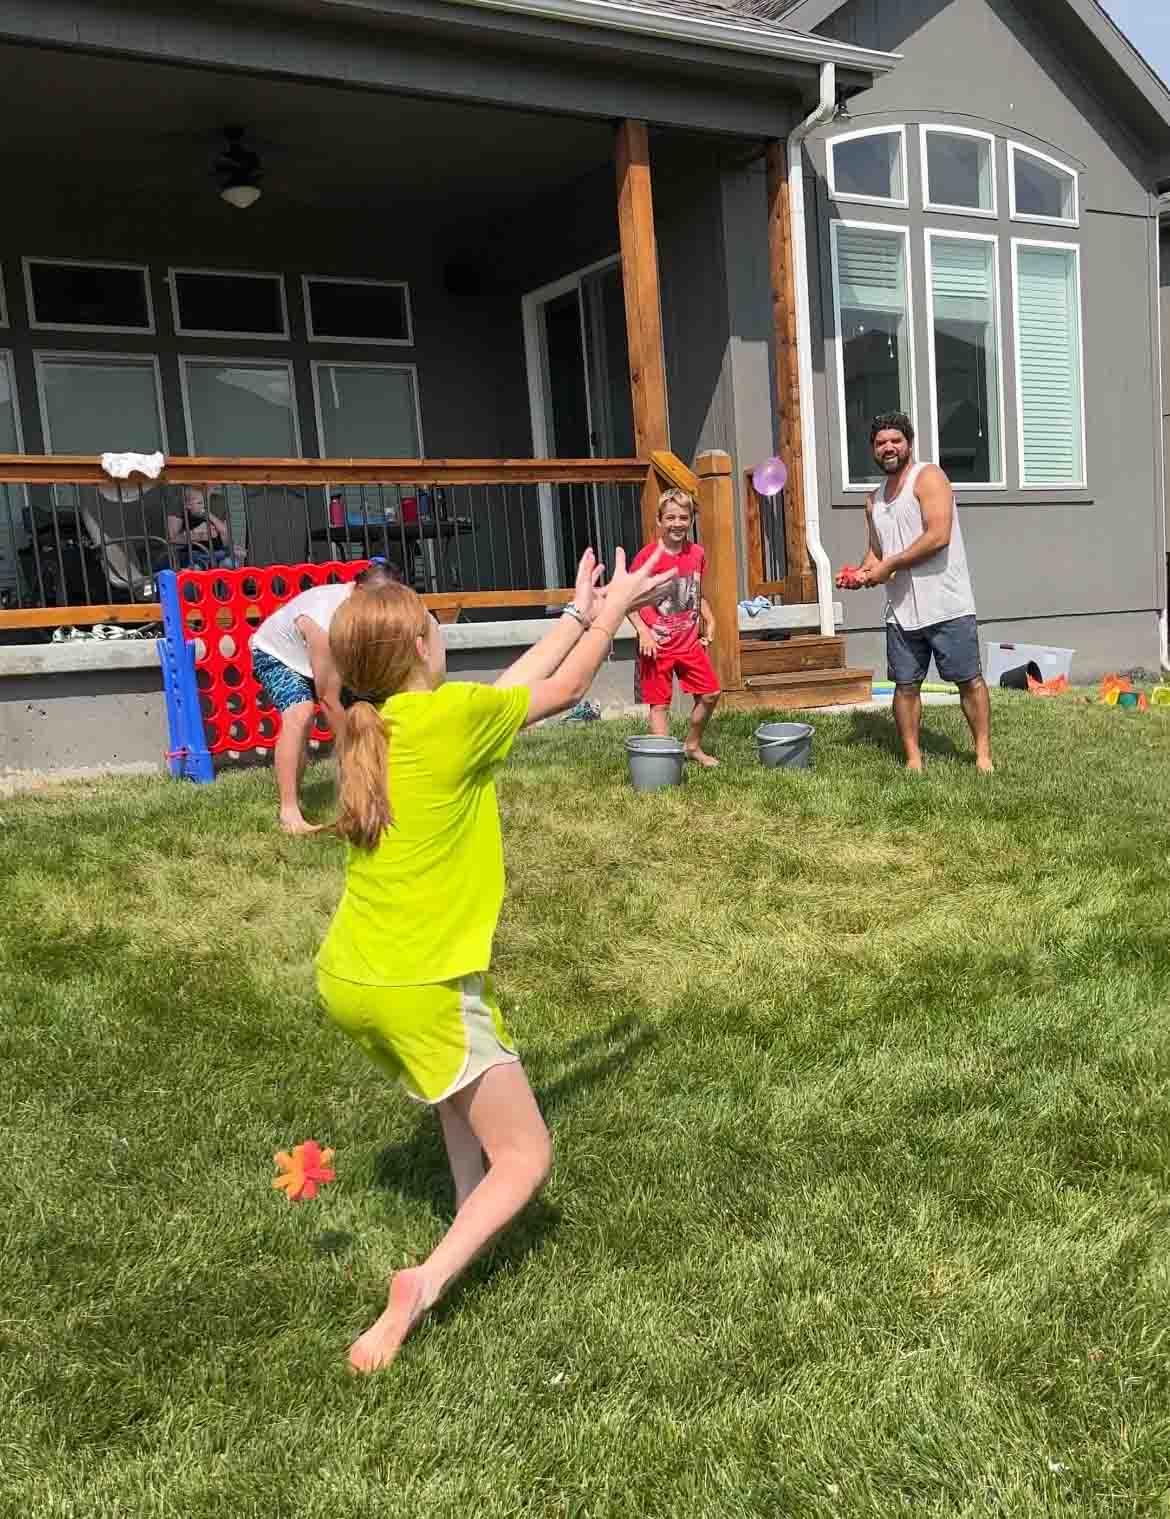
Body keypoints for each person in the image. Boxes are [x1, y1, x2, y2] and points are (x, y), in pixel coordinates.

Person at [316, 544, 674, 1374]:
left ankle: (459, 1207)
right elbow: (563, 690)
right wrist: (617, 610)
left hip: (353, 977)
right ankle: (424, 1283)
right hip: (416, 983)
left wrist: (576, 616)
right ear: (416, 651)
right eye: (435, 627)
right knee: (529, 1153)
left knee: (456, 1088)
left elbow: (506, 689)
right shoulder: (447, 719)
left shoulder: (381, 725)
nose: (443, 635)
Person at [848, 412, 992, 773]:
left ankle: (983, 755)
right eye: (881, 443)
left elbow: (938, 536)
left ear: (908, 444)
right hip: (900, 611)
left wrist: (888, 565)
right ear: (873, 450)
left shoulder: (928, 477)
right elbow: (876, 552)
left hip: (947, 603)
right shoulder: (873, 499)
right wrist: (860, 573)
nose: (888, 448)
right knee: (905, 685)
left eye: (895, 440)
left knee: (968, 680)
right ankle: (913, 759)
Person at [250, 561, 401, 833]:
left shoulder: (372, 610)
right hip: (277, 655)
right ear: (356, 589)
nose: (376, 611)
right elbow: (328, 700)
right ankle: (289, 812)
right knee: (301, 713)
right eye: (371, 602)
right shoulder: (324, 620)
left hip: (324, 661)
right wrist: (350, 755)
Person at [627, 487, 721, 768]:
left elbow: (695, 592)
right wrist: (643, 631)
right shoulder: (647, 557)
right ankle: (665, 764)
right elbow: (627, 600)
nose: (677, 523)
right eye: (670, 518)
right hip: (656, 645)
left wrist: (711, 620)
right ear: (659, 521)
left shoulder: (697, 554)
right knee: (660, 706)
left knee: (711, 694)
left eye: (683, 517)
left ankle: (691, 746)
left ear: (691, 519)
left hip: (689, 642)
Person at [167, 486, 240, 569]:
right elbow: (179, 537)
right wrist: (198, 534)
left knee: (229, 563)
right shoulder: (187, 517)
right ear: (188, 506)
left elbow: (224, 531)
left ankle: (223, 575)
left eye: (205, 502)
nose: (203, 506)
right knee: (197, 566)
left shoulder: (210, 517)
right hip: (196, 553)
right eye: (199, 503)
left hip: (216, 551)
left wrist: (209, 515)